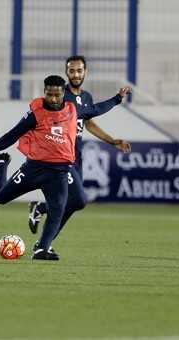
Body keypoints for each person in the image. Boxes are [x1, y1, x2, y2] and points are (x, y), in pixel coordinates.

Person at [0, 75, 131, 260]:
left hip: (59, 173)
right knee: (1, 198)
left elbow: (96, 109)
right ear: (44, 92)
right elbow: (10, 136)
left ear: (63, 94)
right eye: (49, 94)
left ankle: (41, 249)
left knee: (58, 210)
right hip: (33, 169)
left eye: (57, 95)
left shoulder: (72, 109)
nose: (53, 99)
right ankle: (1, 163)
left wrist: (117, 99)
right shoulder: (36, 114)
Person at [28, 56, 132, 258]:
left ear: (86, 72)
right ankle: (42, 241)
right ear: (66, 72)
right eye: (72, 71)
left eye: (79, 71)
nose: (76, 75)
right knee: (78, 200)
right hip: (60, 158)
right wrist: (116, 99)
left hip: (77, 156)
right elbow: (91, 111)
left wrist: (111, 141)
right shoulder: (60, 96)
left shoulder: (86, 97)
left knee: (73, 202)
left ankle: (42, 228)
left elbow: (88, 121)